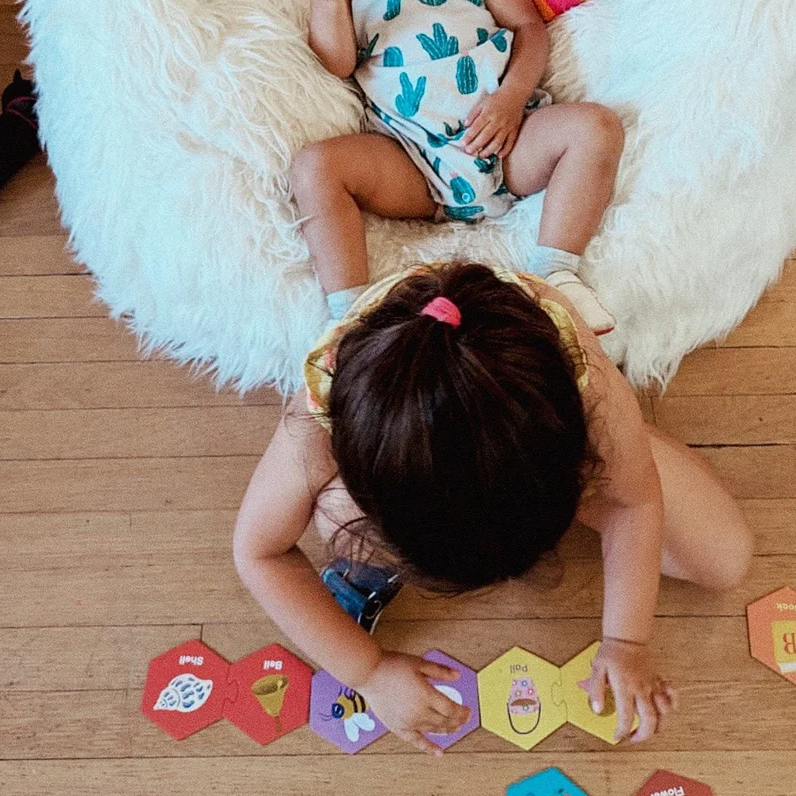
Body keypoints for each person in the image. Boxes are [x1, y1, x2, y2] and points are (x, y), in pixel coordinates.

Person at [233, 262, 754, 755]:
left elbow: (635, 501)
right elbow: (259, 552)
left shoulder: (588, 389)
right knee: (335, 517)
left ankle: (621, 451)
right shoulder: (319, 416)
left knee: (723, 560)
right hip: (410, 424)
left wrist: (626, 641)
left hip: (542, 410)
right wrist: (366, 671)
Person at [272, 0, 624, 334]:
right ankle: (349, 317)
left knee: (596, 127)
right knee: (314, 168)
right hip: (415, 163)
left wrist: (511, 99)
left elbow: (528, 28)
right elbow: (337, 63)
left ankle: (557, 274)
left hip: (507, 140)